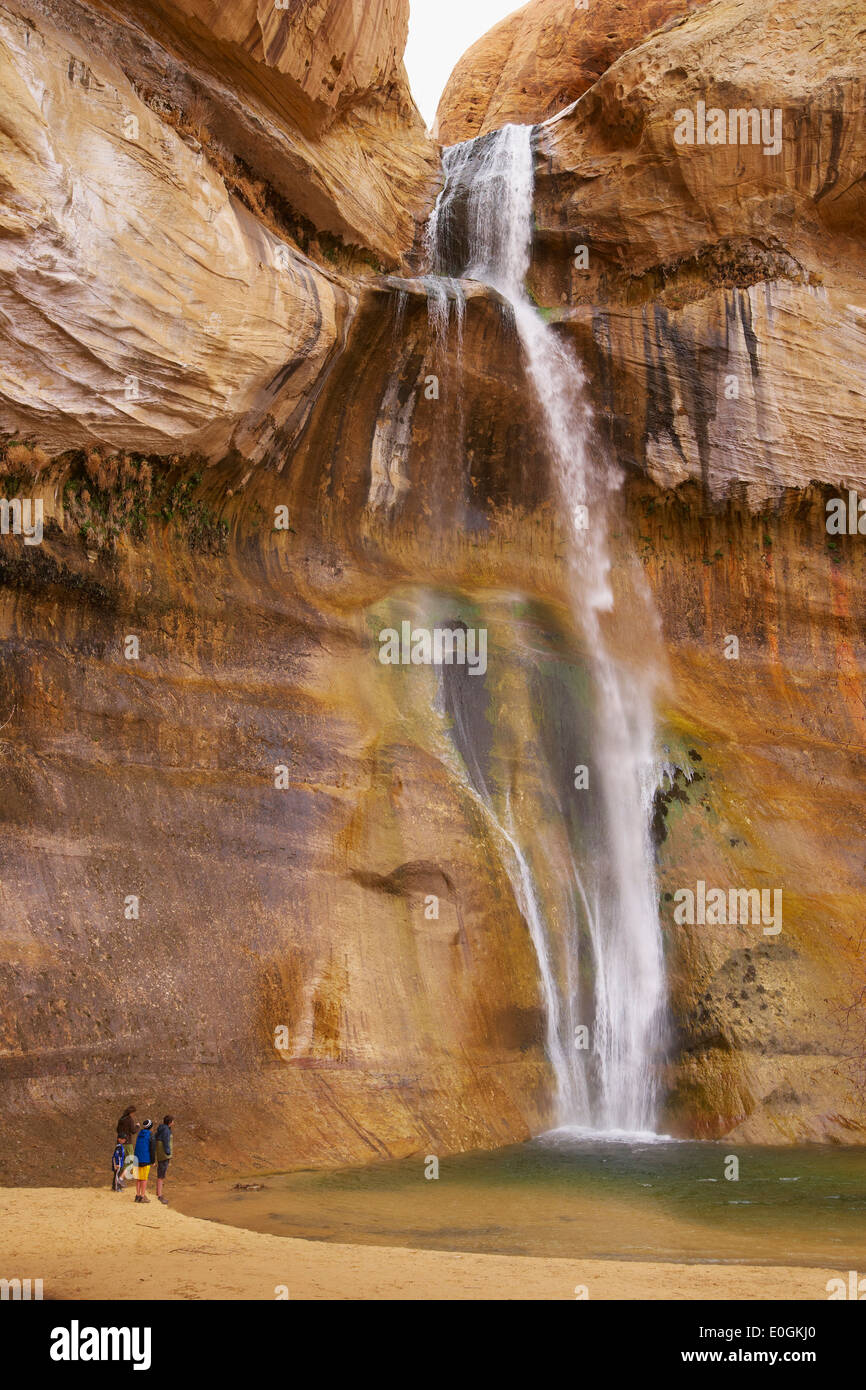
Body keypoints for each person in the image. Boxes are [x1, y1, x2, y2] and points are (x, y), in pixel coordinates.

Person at [133, 1119, 156, 1203]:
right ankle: (142, 1196)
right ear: (151, 1127)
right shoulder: (151, 1135)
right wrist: (153, 1161)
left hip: (137, 1158)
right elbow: (152, 1149)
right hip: (145, 1159)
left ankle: (137, 1195)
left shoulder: (140, 1133)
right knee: (144, 1179)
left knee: (138, 1178)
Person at [155, 1115, 174, 1205]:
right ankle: (160, 1195)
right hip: (164, 1155)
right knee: (161, 1175)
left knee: (160, 1173)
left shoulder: (161, 1129)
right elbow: (166, 1142)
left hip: (160, 1154)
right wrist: (168, 1152)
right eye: (173, 1121)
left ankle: (158, 1193)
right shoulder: (166, 1130)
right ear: (170, 1122)